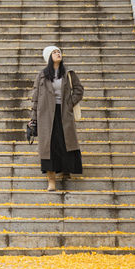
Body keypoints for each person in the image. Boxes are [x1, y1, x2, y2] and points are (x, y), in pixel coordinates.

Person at [30, 44, 84, 191]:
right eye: (54, 52)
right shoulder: (42, 75)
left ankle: (66, 170)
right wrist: (33, 118)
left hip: (64, 113)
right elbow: (35, 97)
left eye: (58, 52)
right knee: (50, 146)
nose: (58, 54)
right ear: (48, 57)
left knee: (65, 142)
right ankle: (51, 180)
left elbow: (79, 90)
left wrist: (70, 103)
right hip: (46, 115)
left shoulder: (68, 73)